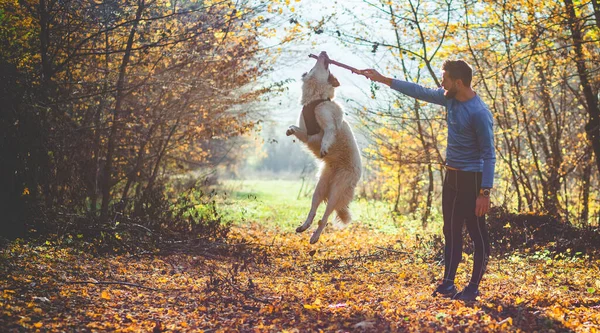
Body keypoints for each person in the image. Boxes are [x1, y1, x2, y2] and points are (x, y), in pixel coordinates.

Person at [359, 60, 495, 301]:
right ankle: (449, 283)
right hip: (451, 176)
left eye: (445, 79)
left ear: (458, 83)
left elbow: (489, 154)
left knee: (477, 233)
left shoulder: (479, 113)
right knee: (450, 230)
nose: (441, 83)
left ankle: (473, 287)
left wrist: (484, 192)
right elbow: (418, 91)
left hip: (472, 179)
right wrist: (382, 79)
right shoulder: (449, 98)